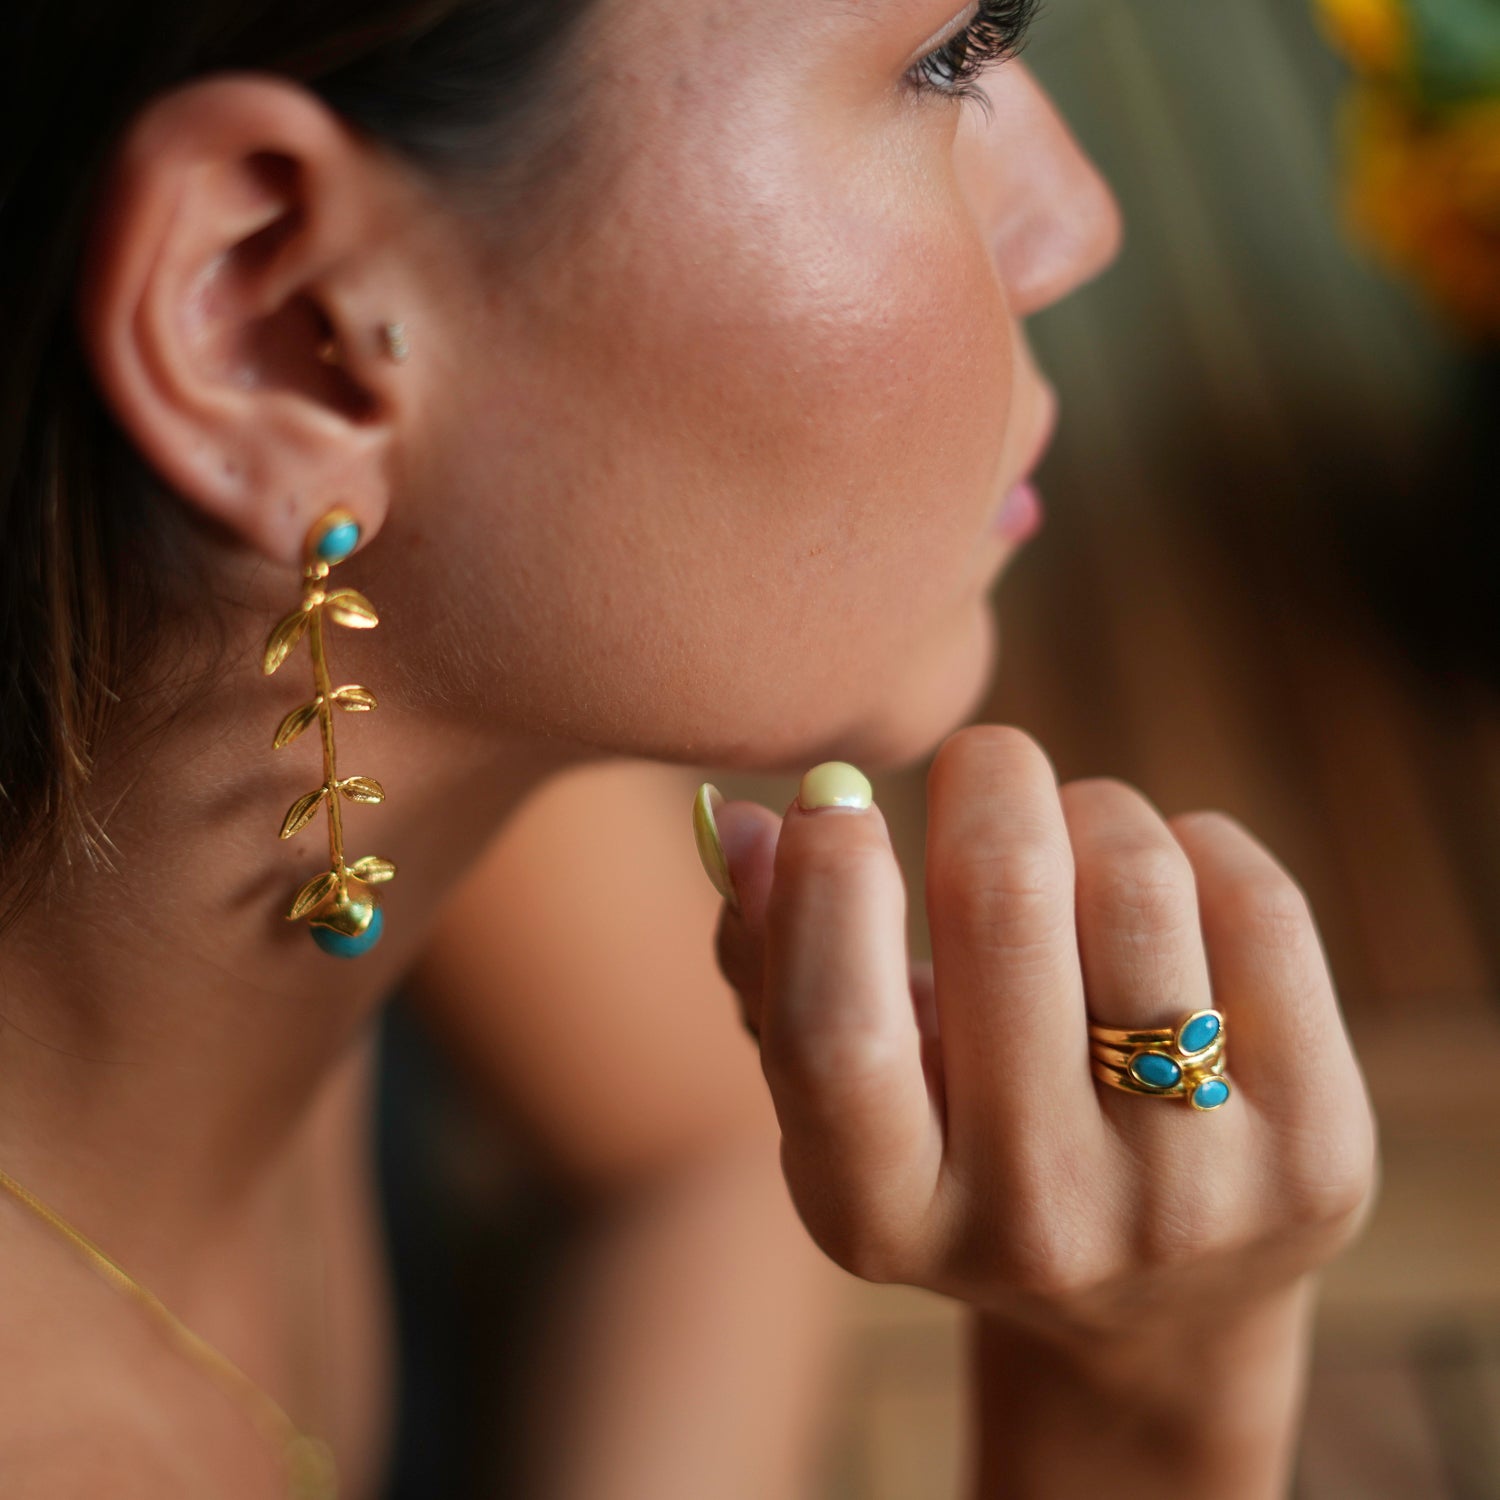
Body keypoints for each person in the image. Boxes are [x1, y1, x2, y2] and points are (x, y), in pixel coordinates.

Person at [0, 0, 1381, 1496]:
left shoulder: (309, 722)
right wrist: (1143, 1409)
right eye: (949, 58)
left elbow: (694, 1159)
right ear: (282, 321)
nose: (1078, 221)